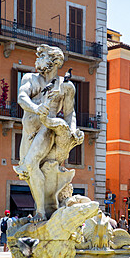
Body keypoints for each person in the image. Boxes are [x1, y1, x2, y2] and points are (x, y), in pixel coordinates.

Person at [14, 44, 83, 223]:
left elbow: (69, 113)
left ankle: (40, 212)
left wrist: (73, 130)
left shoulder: (66, 87)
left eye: (41, 56)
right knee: (28, 170)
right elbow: (22, 97)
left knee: (30, 163)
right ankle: (48, 206)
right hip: (28, 131)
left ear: (53, 61)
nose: (37, 59)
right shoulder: (30, 78)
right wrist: (36, 108)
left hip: (47, 128)